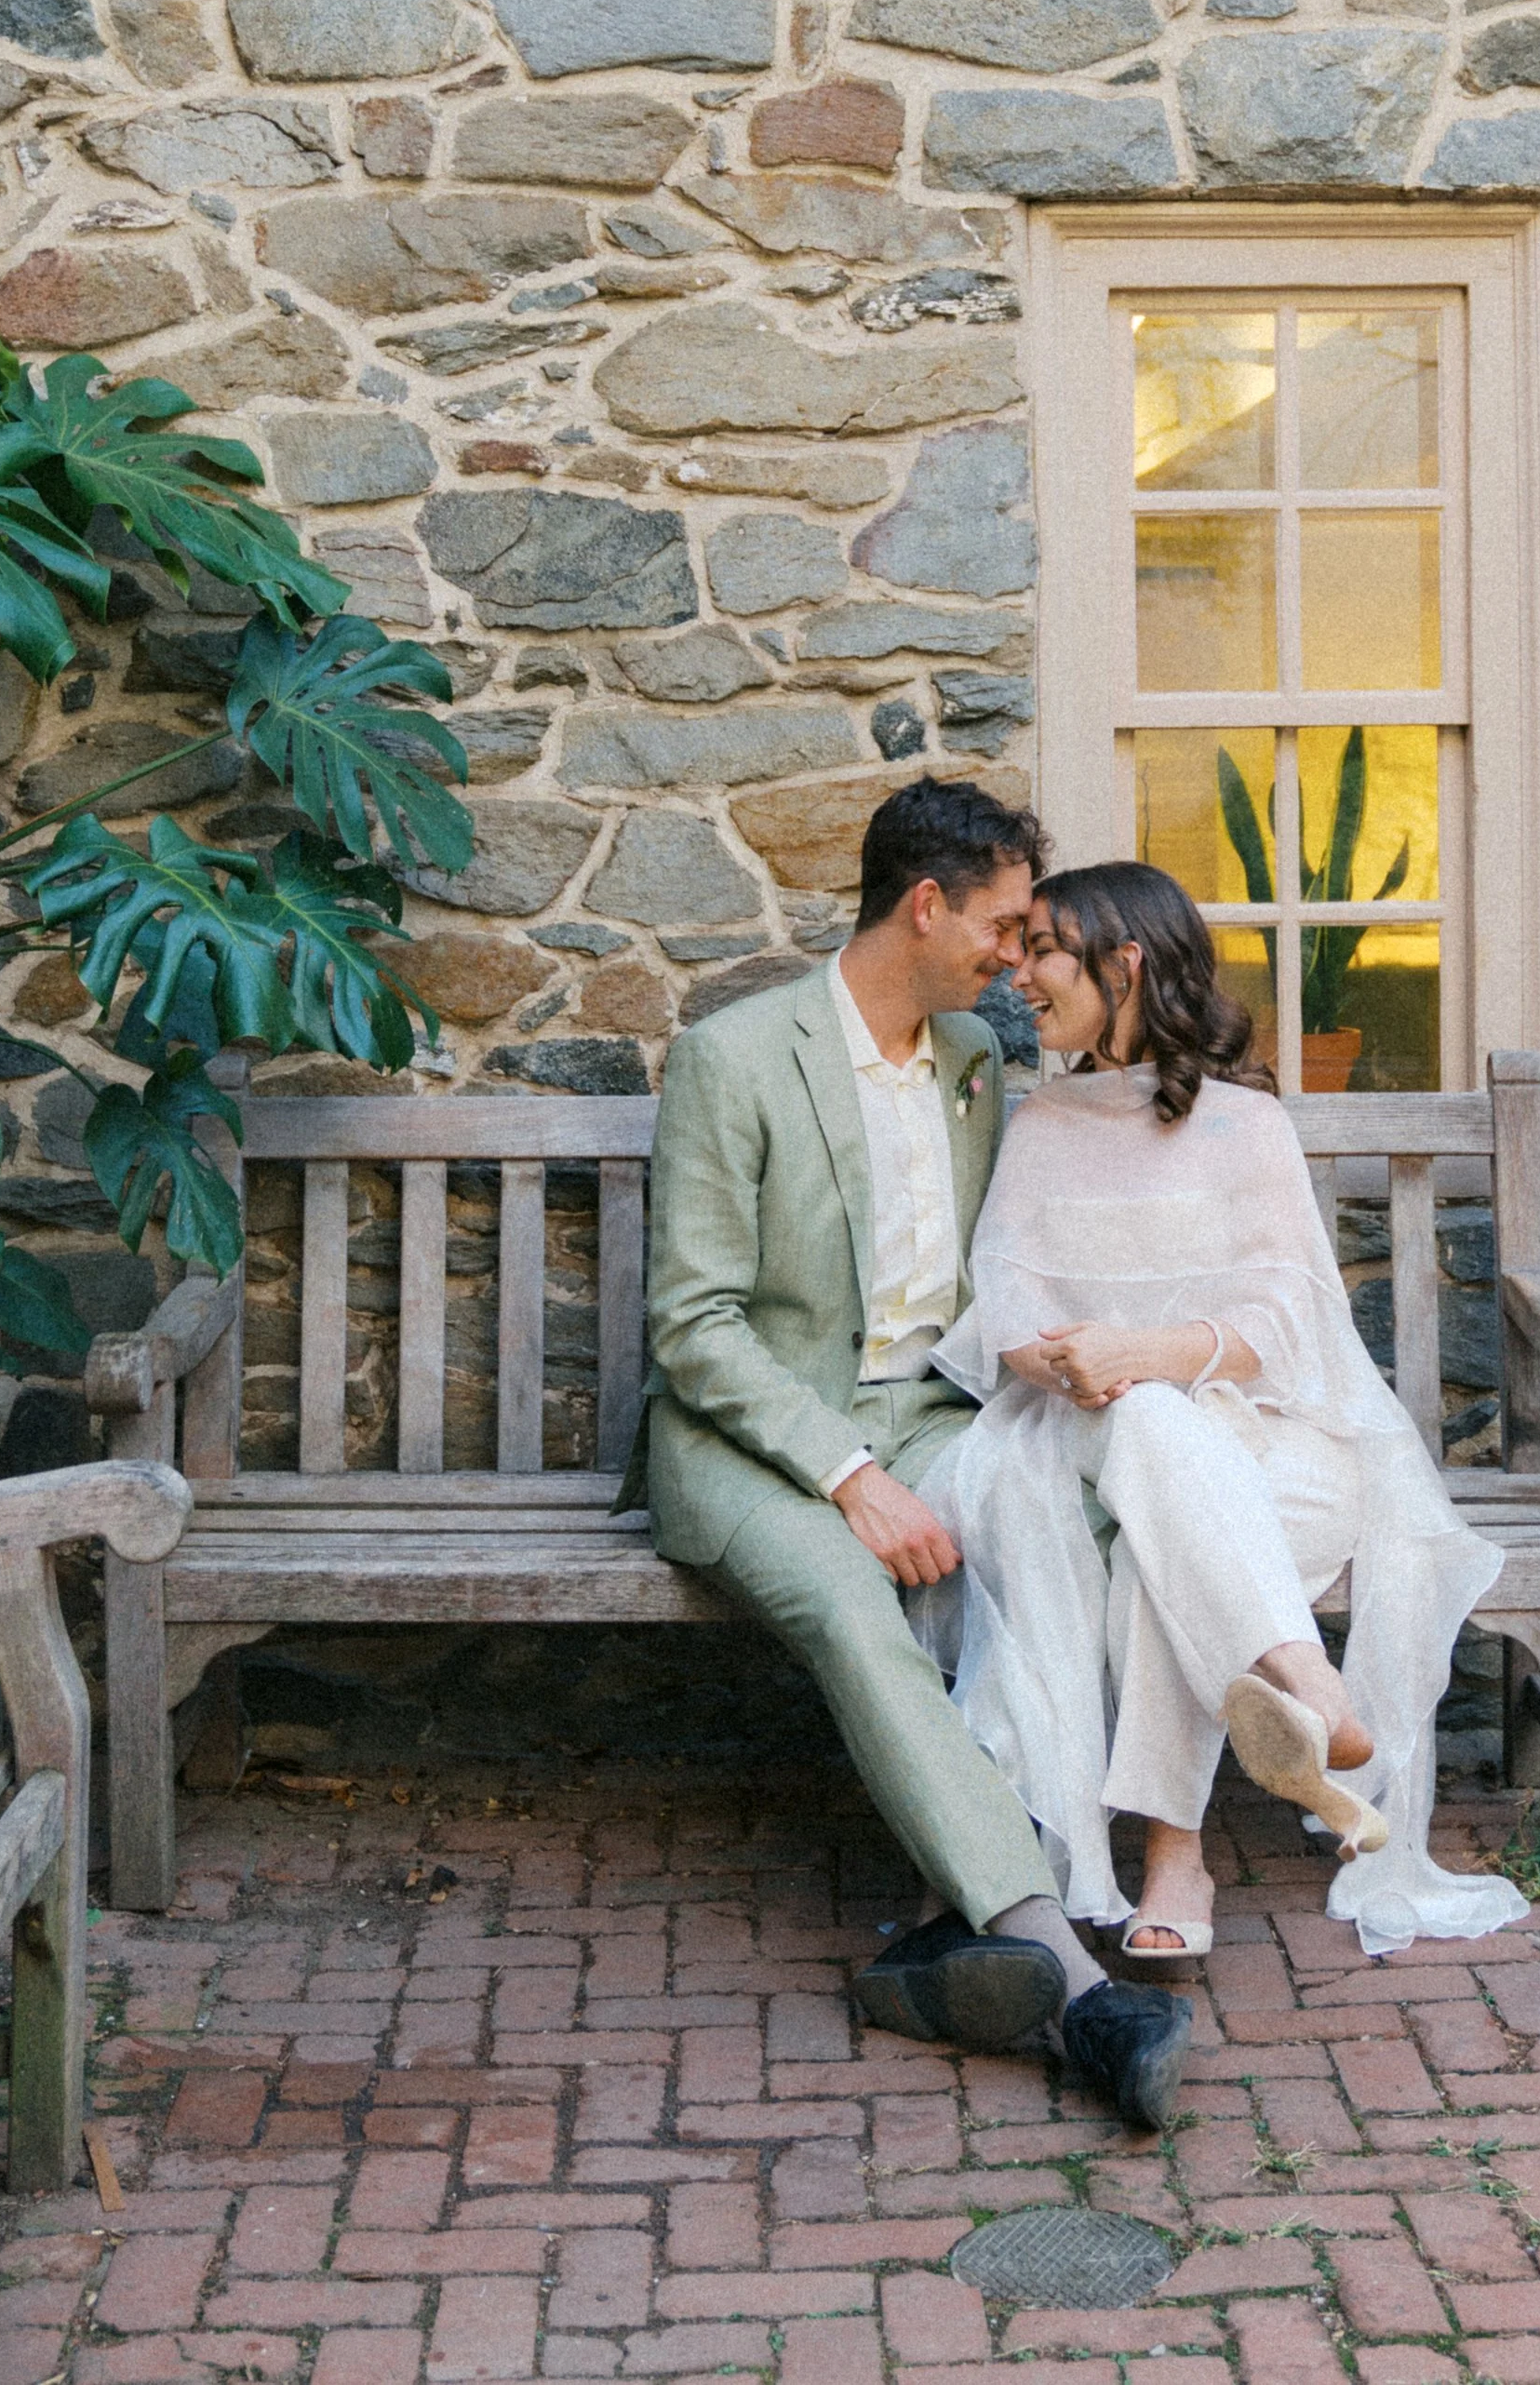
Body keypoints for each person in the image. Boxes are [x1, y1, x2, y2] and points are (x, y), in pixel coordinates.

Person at [635, 779, 1195, 2125]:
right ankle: (1073, 1983)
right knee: (852, 1599)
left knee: (1069, 1525)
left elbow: (991, 1275)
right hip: (748, 1438)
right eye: (1002, 925)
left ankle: (957, 1935)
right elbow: (694, 1327)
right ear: (927, 905)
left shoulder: (972, 1068)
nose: (1017, 955)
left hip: (931, 1411)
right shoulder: (736, 1054)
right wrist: (849, 1475)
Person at [911, 861, 1529, 1963]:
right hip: (1084, 1437)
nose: (1020, 978)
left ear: (1125, 963)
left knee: (1167, 1508)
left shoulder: (1249, 1127)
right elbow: (1003, 1306)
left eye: (1045, 950)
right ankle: (1293, 1694)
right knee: (1152, 1436)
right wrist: (1074, 1367)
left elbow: (1287, 1322)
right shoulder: (1044, 1119)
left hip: (1277, 1450)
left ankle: (1183, 1847)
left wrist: (1148, 1351)